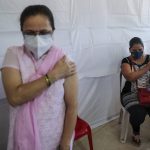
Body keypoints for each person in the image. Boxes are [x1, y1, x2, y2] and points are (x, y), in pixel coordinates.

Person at [1, 5, 78, 150]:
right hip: (22, 139)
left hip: (54, 138)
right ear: (22, 32)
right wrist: (54, 75)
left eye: (43, 32)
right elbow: (14, 98)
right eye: (30, 33)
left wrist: (66, 143)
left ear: (53, 32)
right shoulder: (13, 54)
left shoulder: (65, 61)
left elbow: (72, 107)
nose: (37, 38)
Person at [121, 37, 150, 145]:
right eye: (134, 50)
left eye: (140, 49)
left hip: (147, 91)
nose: (138, 52)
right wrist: (147, 68)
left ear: (143, 48)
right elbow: (130, 77)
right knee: (138, 114)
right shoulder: (126, 61)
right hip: (130, 93)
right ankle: (135, 132)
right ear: (130, 50)